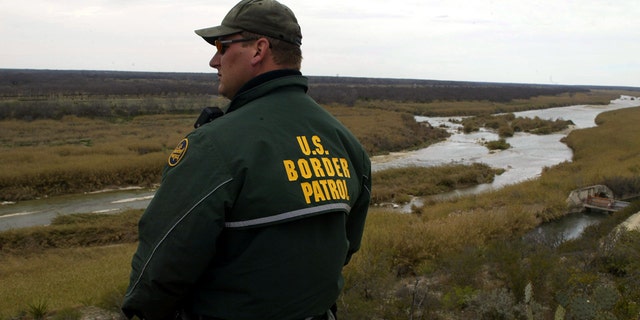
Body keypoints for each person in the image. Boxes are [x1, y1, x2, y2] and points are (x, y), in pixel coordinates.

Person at [121, 0, 371, 319]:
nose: (214, 60)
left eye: (222, 46)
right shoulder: (346, 143)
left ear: (258, 50)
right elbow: (344, 247)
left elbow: (159, 272)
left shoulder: (214, 146)